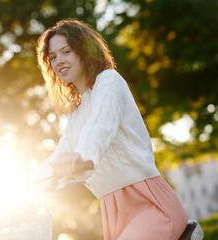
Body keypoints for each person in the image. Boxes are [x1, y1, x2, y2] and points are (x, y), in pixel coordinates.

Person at [34, 19, 188, 240]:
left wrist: (82, 157)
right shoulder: (75, 114)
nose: (59, 61)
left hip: (151, 206)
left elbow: (100, 126)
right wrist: (20, 196)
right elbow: (55, 159)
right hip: (114, 215)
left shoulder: (109, 81)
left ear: (84, 50)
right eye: (53, 57)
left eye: (66, 51)